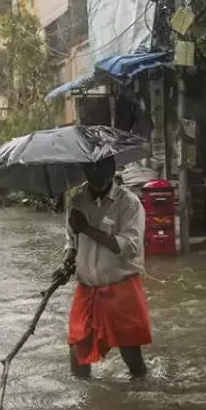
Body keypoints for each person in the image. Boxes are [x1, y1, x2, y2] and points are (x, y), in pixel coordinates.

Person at [54, 156, 152, 379]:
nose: (97, 174)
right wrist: (67, 262)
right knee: (78, 352)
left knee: (132, 357)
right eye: (92, 168)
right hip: (87, 290)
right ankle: (86, 407)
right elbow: (72, 241)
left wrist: (87, 229)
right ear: (85, 171)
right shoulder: (78, 201)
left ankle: (141, 398)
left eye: (103, 166)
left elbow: (128, 247)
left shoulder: (129, 203)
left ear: (112, 168)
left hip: (121, 289)